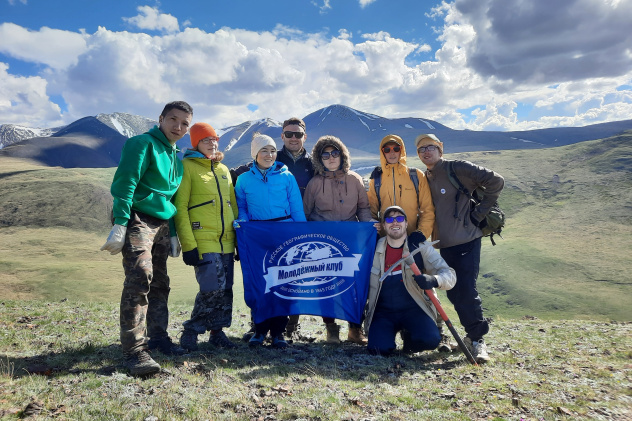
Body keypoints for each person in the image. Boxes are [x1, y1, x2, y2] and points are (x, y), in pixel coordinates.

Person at [100, 101, 193, 376]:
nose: (178, 126)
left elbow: (173, 197)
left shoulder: (175, 156)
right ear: (161, 118)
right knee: (140, 275)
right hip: (138, 217)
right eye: (173, 119)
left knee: (161, 282)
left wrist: (174, 233)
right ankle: (134, 350)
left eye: (184, 123)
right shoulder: (141, 143)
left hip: (163, 223)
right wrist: (120, 223)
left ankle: (159, 338)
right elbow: (125, 183)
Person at [416, 133, 504, 363]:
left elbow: (496, 181)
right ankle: (469, 337)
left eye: (431, 147)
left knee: (465, 290)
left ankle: (478, 341)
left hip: (466, 240)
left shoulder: (458, 168)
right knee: (454, 292)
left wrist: (478, 215)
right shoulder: (427, 176)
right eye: (421, 149)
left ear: (440, 149)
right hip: (445, 244)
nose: (426, 152)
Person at [234, 133, 307, 349]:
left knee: (283, 282)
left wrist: (300, 235)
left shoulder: (286, 177)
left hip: (284, 233)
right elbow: (243, 207)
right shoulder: (244, 179)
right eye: (264, 150)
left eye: (273, 150)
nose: (269, 154)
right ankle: (259, 330)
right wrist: (243, 222)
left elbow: (296, 208)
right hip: (257, 235)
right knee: (260, 282)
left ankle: (278, 333)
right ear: (255, 154)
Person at [303, 135, 375, 345]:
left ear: (342, 155)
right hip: (323, 245)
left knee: (354, 285)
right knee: (326, 286)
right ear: (319, 158)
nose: (331, 158)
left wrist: (367, 229)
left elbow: (363, 207)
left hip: (351, 240)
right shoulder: (314, 183)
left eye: (335, 153)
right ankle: (331, 330)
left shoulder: (354, 179)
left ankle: (355, 328)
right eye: (326, 154)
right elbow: (306, 214)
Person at [174, 122, 238, 352]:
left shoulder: (223, 169)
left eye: (214, 139)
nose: (211, 143)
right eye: (205, 140)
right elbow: (180, 208)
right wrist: (188, 244)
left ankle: (217, 332)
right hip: (203, 241)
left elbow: (233, 206)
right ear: (195, 143)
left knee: (226, 288)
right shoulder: (187, 167)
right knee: (211, 288)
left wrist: (238, 238)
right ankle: (191, 330)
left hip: (227, 241)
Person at [363, 206, 456, 356]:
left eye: (399, 218)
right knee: (378, 349)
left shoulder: (420, 248)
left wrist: (434, 280)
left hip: (415, 309)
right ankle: (384, 337)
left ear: (406, 224)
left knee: (430, 340)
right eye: (389, 219)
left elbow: (449, 275)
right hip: (383, 312)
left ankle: (409, 338)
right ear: (384, 225)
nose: (394, 222)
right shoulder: (372, 249)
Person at [367, 134, 435, 241]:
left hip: (413, 239)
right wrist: (375, 234)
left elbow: (427, 209)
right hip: (385, 241)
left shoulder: (416, 176)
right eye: (387, 150)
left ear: (401, 151)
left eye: (396, 148)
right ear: (382, 152)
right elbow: (371, 212)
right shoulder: (376, 179)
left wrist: (421, 233)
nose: (392, 152)